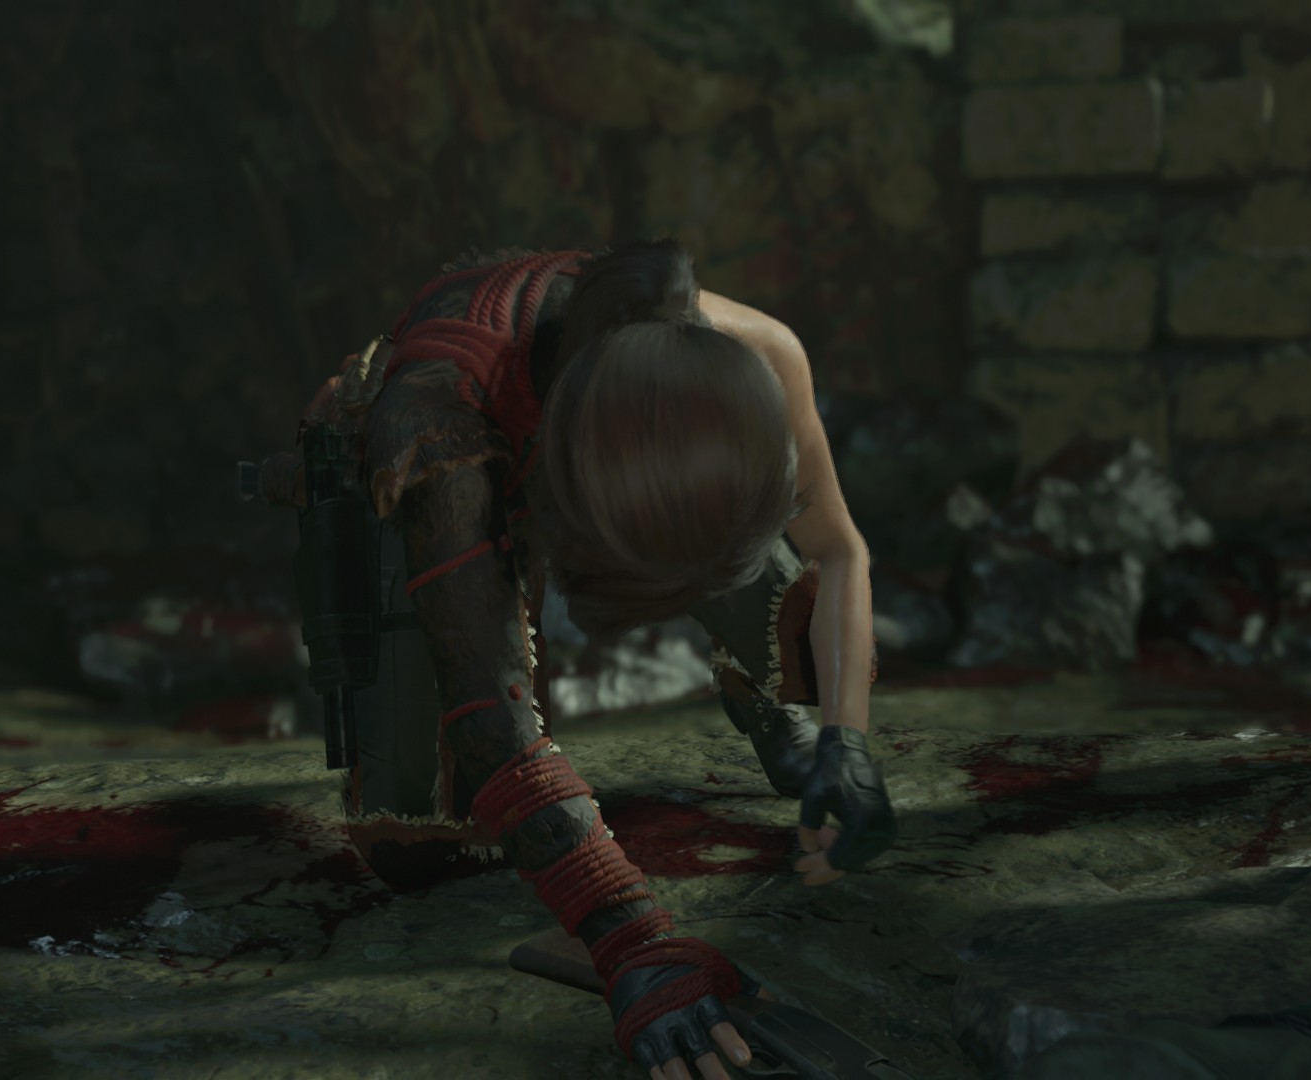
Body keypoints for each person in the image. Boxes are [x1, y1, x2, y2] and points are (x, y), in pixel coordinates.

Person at [290, 240, 899, 1080]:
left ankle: (768, 699)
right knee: (424, 849)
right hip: (454, 454)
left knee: (784, 623)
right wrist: (631, 940)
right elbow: (489, 719)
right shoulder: (439, 422)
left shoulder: (753, 349)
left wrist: (846, 740)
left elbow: (837, 548)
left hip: (603, 446)